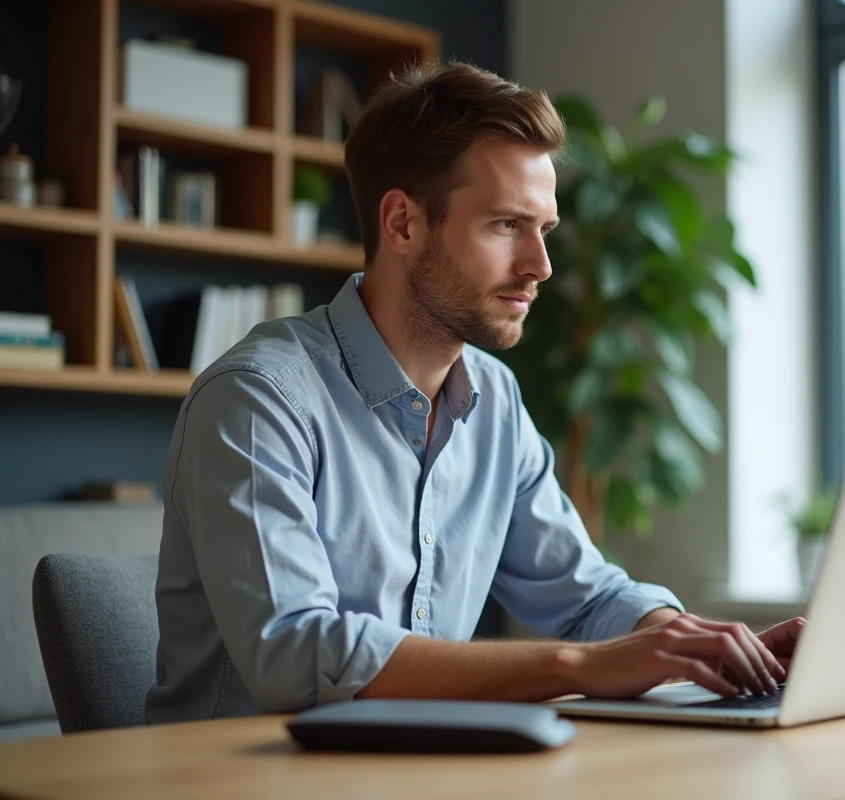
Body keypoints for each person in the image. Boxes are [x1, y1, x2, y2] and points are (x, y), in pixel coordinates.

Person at [145, 61, 803, 724]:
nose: (541, 266)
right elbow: (294, 654)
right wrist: (575, 666)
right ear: (402, 223)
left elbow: (587, 598)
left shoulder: (495, 400)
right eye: (507, 225)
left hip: (421, 764)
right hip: (243, 771)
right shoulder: (258, 400)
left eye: (543, 230)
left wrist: (703, 647)